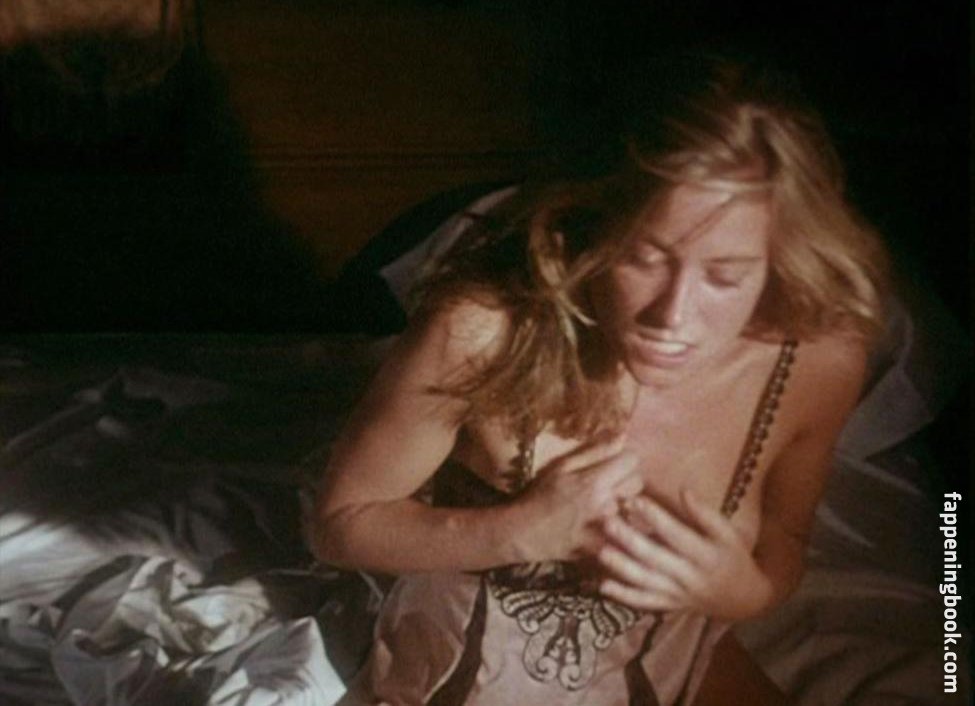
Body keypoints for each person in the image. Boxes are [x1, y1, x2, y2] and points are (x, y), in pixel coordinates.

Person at [311, 55, 888, 705]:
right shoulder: (481, 332)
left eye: (725, 277)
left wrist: (747, 593)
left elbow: (785, 537)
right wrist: (514, 530)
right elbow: (339, 525)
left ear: (780, 258)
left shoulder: (818, 365)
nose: (673, 317)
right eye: (643, 258)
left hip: (671, 671)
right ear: (591, 226)